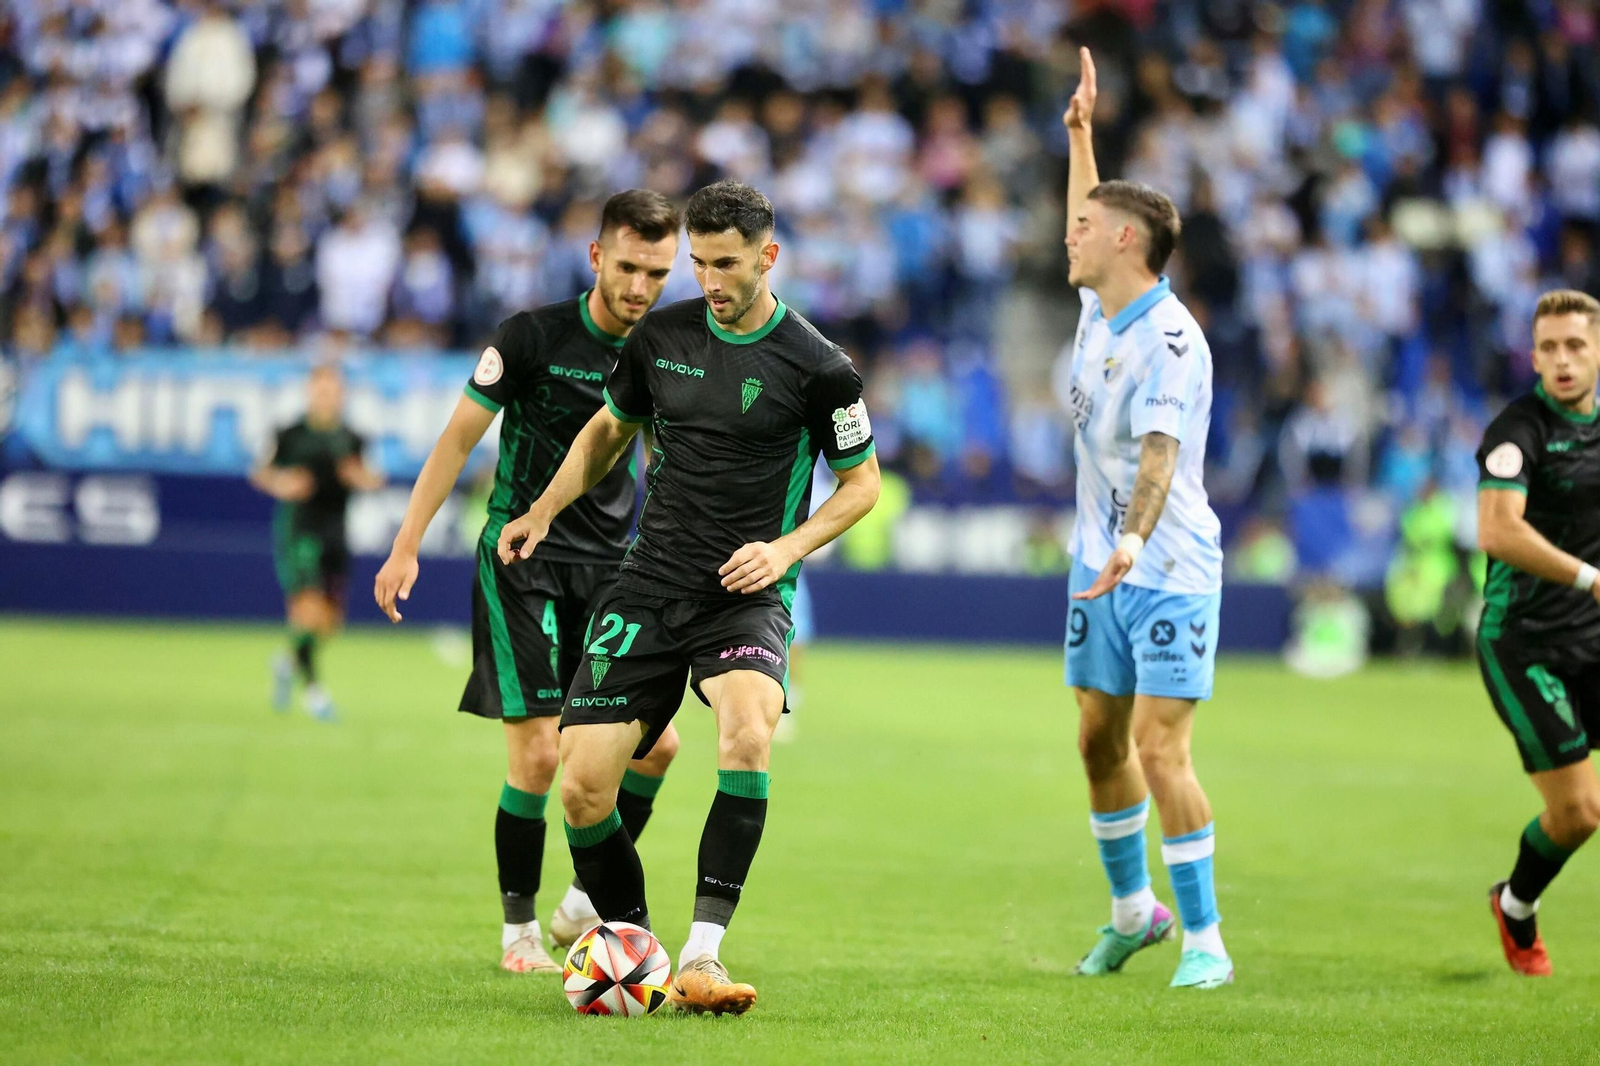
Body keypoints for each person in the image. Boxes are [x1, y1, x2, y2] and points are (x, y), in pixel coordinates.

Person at [495, 180, 880, 1015]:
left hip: (744, 594)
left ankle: (705, 954)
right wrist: (543, 509)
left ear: (768, 257)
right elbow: (606, 431)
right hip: (649, 583)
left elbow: (862, 487)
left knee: (746, 732)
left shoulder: (820, 368)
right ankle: (639, 946)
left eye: (726, 263)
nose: (708, 279)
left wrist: (784, 549)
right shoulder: (660, 336)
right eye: (698, 263)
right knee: (582, 786)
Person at [373, 191, 685, 975]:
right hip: (523, 559)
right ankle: (517, 934)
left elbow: (667, 462)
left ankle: (584, 898)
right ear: (596, 258)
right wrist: (406, 544)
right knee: (541, 756)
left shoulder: (667, 351)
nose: (641, 286)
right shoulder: (532, 336)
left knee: (660, 748)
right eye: (628, 267)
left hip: (616, 570)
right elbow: (456, 440)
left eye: (657, 271)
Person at [1058, 49, 1233, 990]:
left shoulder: (1171, 342)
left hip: (1164, 565)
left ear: (1125, 242)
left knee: (1163, 749)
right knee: (1096, 741)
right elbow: (1084, 212)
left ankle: (1205, 938)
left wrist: (1132, 537)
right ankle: (1135, 913)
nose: (1068, 237)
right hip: (1099, 562)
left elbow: (1161, 458)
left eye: (1086, 228)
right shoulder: (1098, 307)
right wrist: (1081, 137)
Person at [1475, 289, 1600, 977]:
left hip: (1595, 637)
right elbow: (1497, 530)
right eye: (1548, 347)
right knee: (1580, 813)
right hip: (1524, 643)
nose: (1561, 360)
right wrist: (1589, 577)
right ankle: (1516, 904)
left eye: (1575, 345)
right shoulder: (1516, 431)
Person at [252, 363, 384, 721]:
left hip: (336, 531)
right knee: (307, 610)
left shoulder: (351, 437)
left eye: (333, 390)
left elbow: (373, 477)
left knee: (329, 622)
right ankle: (314, 693)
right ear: (310, 392)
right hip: (300, 529)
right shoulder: (290, 434)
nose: (327, 396)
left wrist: (358, 477)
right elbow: (261, 472)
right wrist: (283, 483)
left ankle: (287, 662)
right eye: (321, 389)